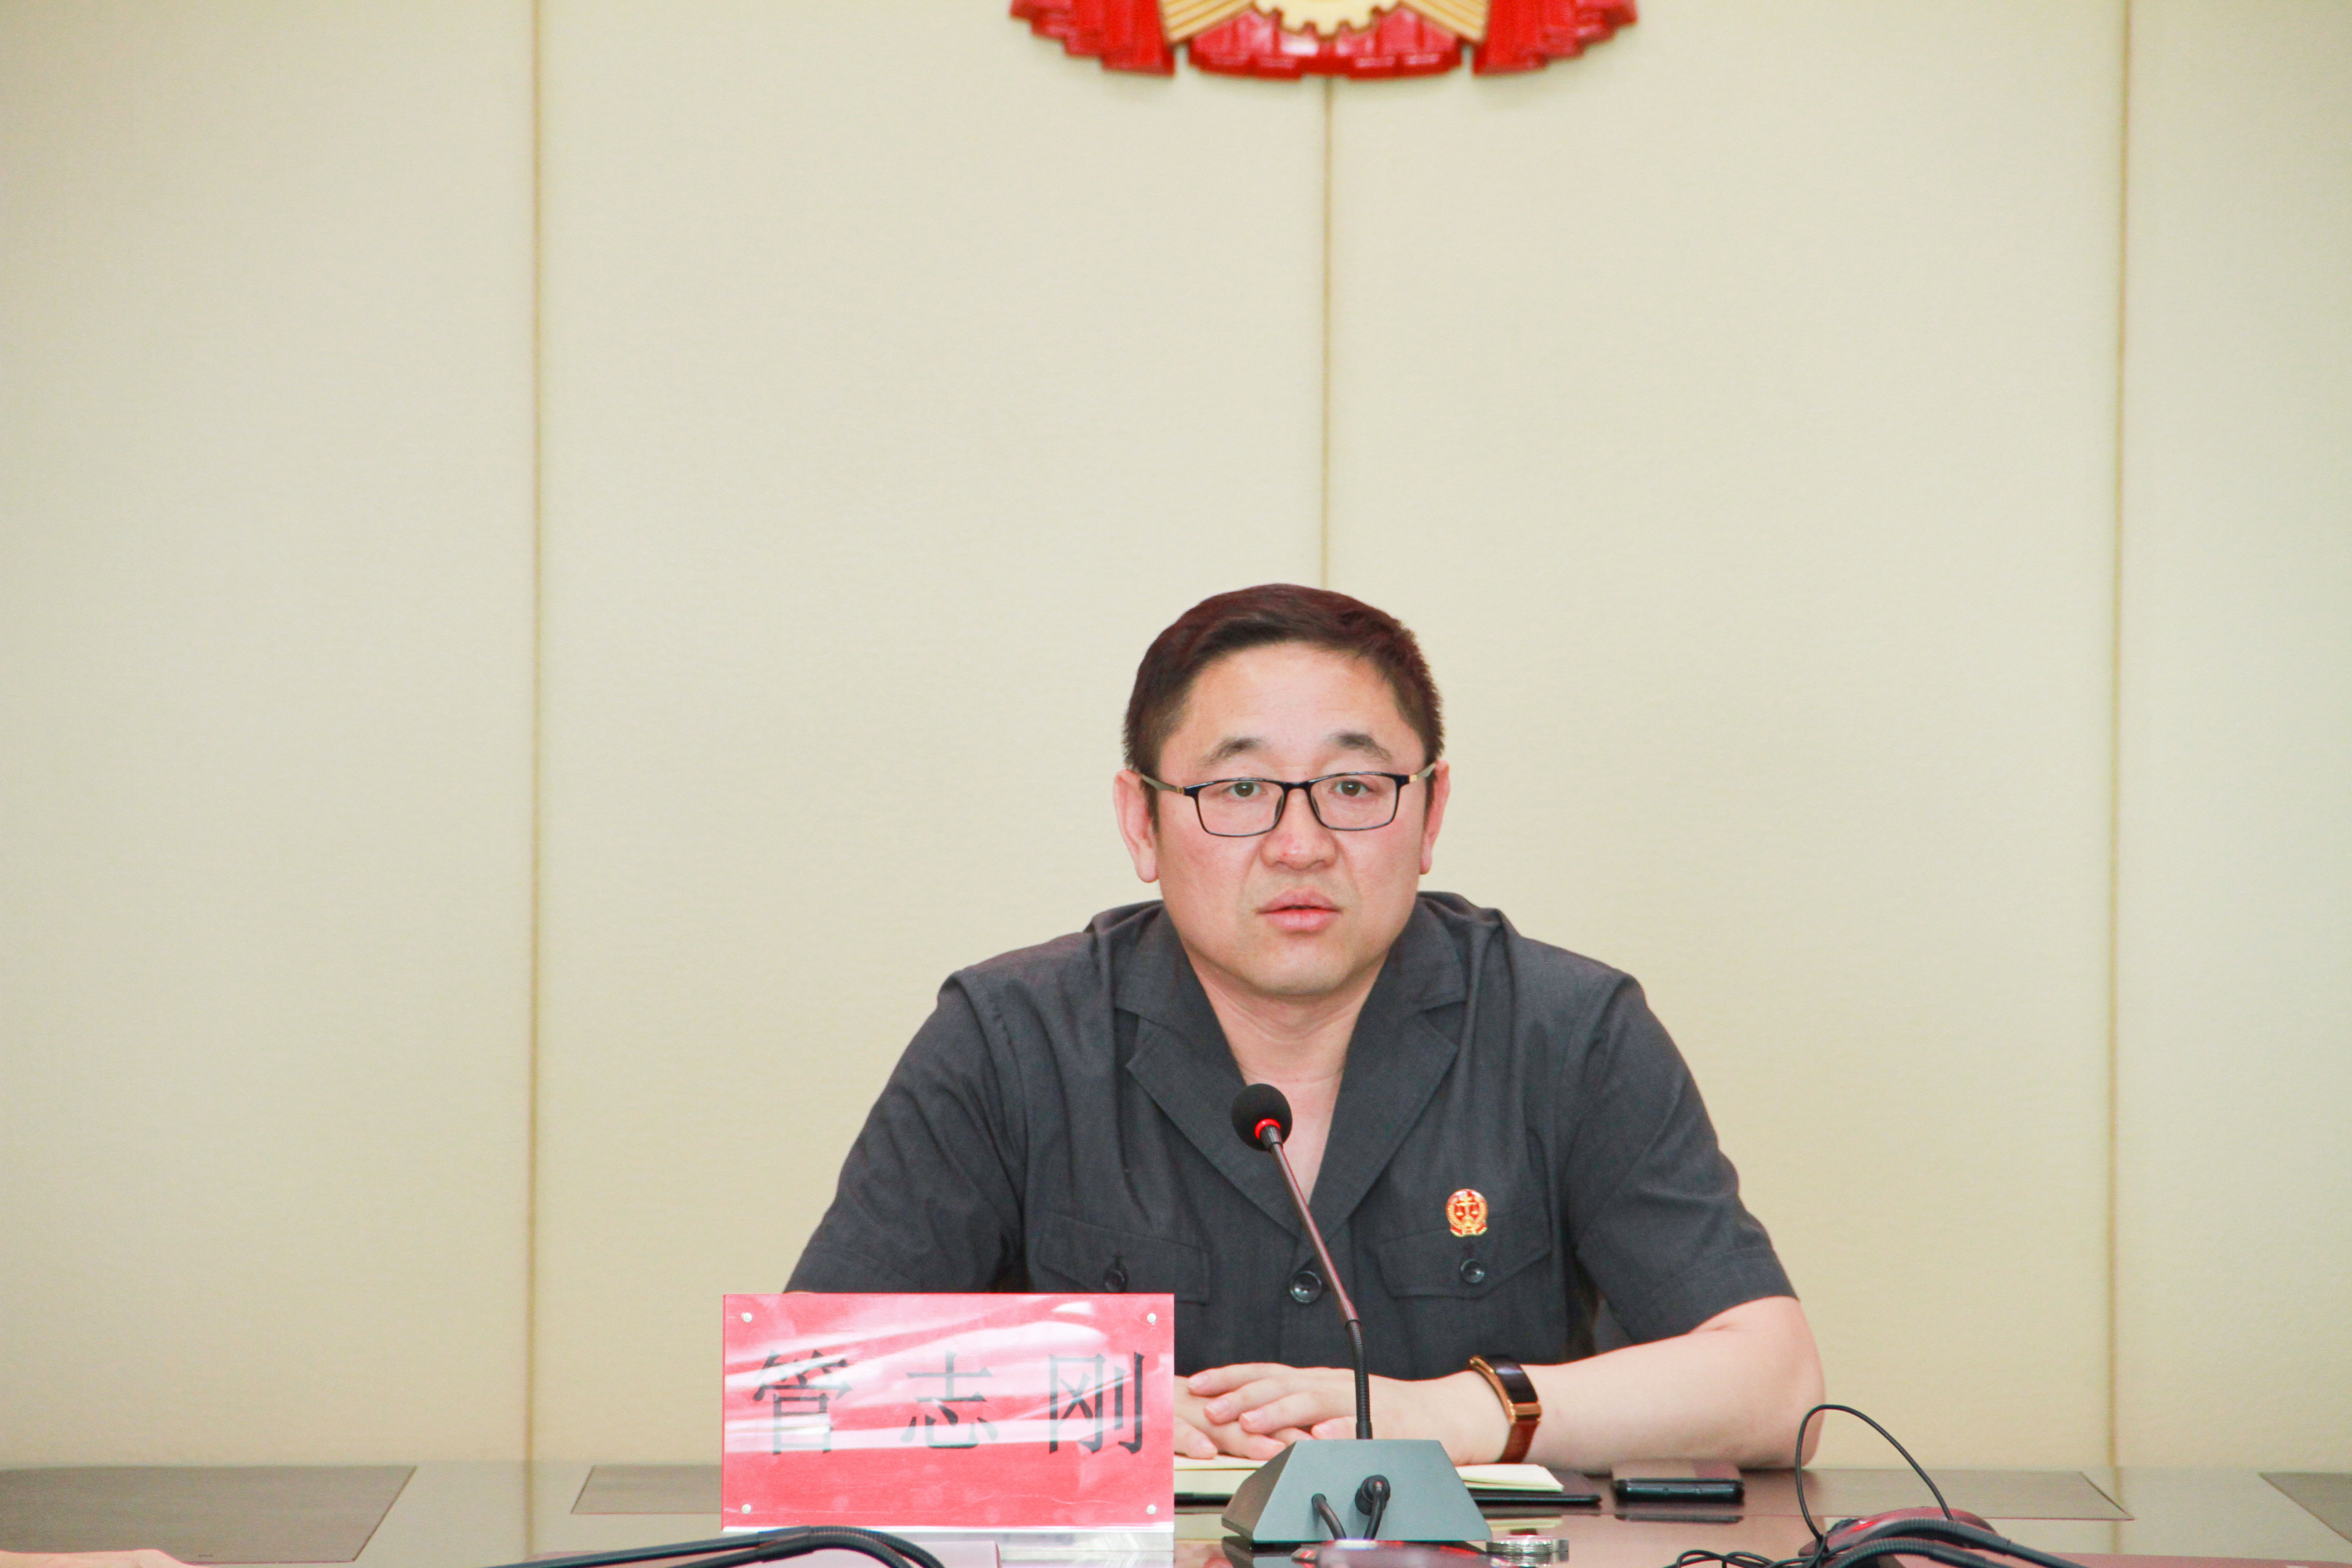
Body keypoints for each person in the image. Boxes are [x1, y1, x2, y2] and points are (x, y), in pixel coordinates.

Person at [788, 584, 1823, 1469]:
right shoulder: (1010, 1039)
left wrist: (1453, 1416)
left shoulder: (1568, 1032)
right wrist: (1100, 1408)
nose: (1300, 844)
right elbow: (806, 1385)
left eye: (1354, 788)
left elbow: (1776, 1384)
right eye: (1240, 788)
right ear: (1142, 821)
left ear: (1431, 813)